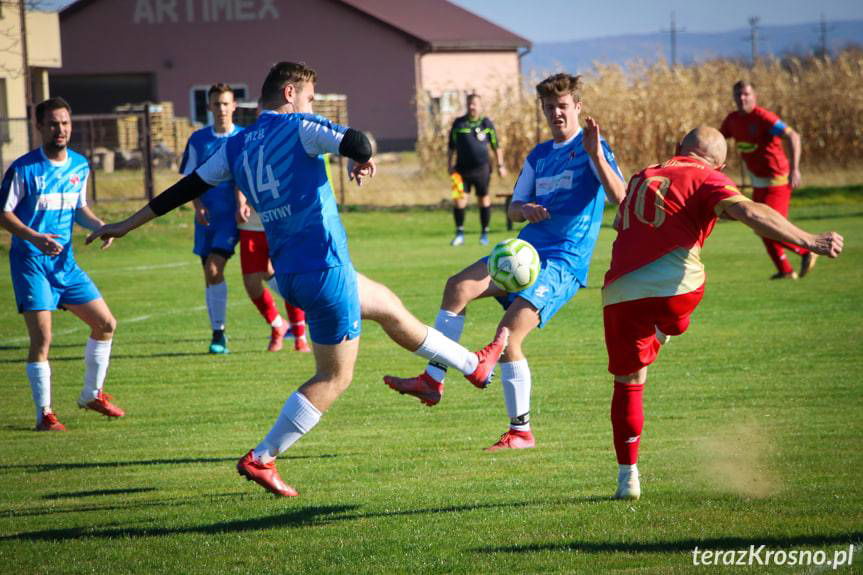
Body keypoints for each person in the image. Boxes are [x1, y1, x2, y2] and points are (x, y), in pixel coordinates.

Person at [87, 61, 509, 497]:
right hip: (325, 269)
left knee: (387, 306)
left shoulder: (238, 146)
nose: (312, 103)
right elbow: (359, 139)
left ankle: (470, 367)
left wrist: (124, 225)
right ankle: (263, 456)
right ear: (290, 93)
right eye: (309, 96)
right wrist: (361, 159)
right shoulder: (300, 127)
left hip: (291, 272)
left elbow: (182, 190)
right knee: (334, 378)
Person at [385, 73, 626, 450]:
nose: (556, 114)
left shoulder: (593, 148)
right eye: (549, 108)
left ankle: (520, 430)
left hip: (563, 262)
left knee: (508, 335)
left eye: (563, 106)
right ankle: (434, 380)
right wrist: (524, 209)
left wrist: (596, 154)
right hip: (522, 255)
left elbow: (620, 197)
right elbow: (512, 208)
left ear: (577, 107)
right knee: (457, 286)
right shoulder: (540, 155)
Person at [602, 126, 843, 500]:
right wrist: (808, 241)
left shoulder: (643, 175)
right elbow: (749, 211)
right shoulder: (707, 177)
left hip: (620, 292)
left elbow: (638, 214)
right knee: (683, 291)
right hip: (675, 290)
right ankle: (669, 327)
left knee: (629, 382)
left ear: (678, 148)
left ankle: (627, 477)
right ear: (723, 164)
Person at [0, 97, 125, 431]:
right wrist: (33, 237)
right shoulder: (24, 169)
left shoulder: (80, 166)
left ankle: (91, 394)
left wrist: (100, 227)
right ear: (40, 126)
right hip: (31, 263)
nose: (61, 129)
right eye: (53, 123)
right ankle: (45, 414)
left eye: (65, 123)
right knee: (42, 340)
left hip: (65, 266)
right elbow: (4, 214)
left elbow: (79, 208)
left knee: (105, 324)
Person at [720, 80, 815, 279]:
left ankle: (807, 251)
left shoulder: (764, 118)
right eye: (738, 94)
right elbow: (718, 142)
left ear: (755, 96)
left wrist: (795, 169)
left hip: (777, 180)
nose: (742, 98)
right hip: (758, 182)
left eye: (746, 94)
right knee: (760, 227)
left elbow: (793, 136)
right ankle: (785, 271)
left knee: (768, 225)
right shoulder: (732, 120)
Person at [179, 83, 242, 354]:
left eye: (226, 103)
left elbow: (247, 174)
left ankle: (219, 333)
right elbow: (189, 179)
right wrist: (197, 206)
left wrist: (242, 202)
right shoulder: (198, 139)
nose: (222, 109)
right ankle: (220, 332)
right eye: (217, 104)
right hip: (206, 218)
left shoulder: (243, 138)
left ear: (234, 106)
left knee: (215, 269)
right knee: (209, 274)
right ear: (209, 107)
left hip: (233, 217)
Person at [235, 191, 310, 352]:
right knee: (251, 282)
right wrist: (241, 203)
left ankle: (300, 337)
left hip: (281, 225)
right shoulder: (244, 164)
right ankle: (278, 324)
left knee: (288, 277)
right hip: (251, 226)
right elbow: (239, 180)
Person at [447, 93, 507, 246]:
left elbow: (496, 146)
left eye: (475, 104)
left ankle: (484, 233)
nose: (472, 107)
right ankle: (459, 233)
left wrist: (501, 165)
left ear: (480, 106)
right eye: (469, 104)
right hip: (460, 171)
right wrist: (449, 164)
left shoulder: (486, 124)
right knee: (459, 201)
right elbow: (451, 147)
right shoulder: (458, 124)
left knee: (483, 199)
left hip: (482, 170)